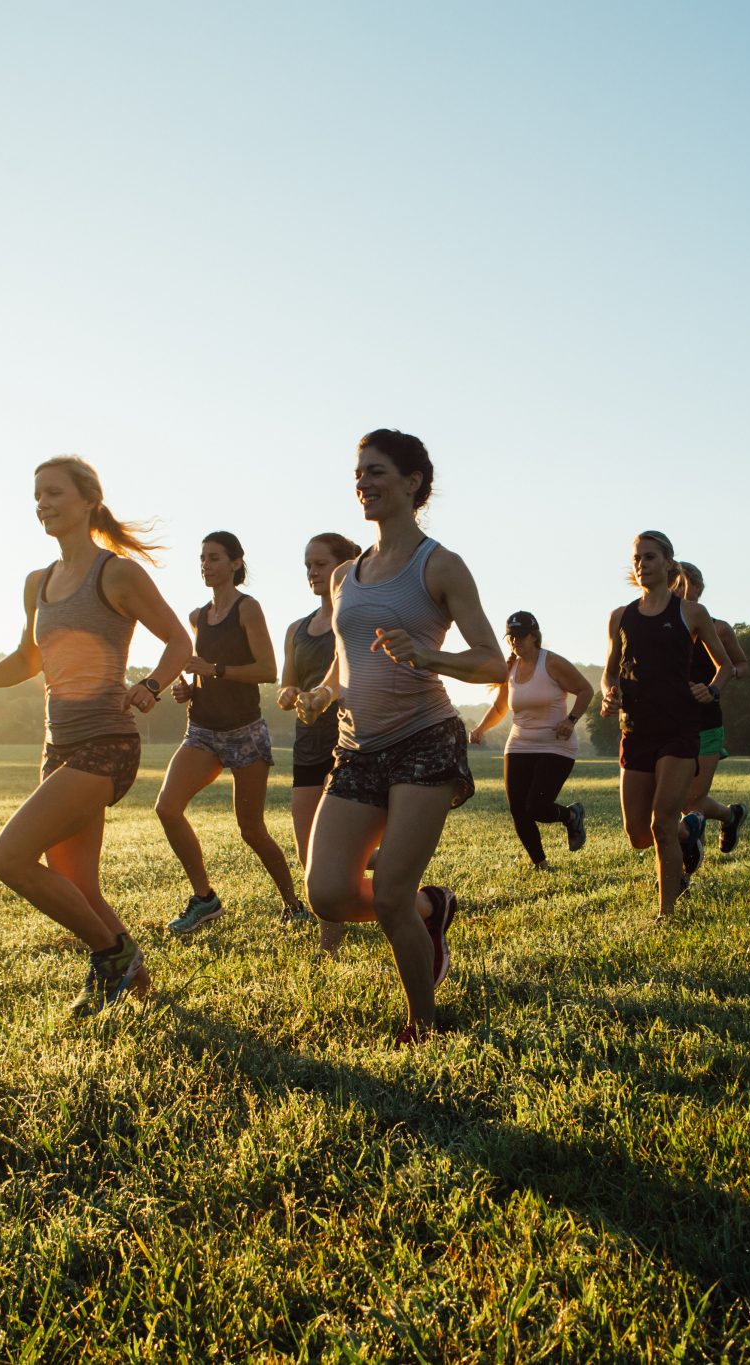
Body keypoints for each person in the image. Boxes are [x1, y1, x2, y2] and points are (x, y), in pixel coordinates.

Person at [0, 456, 190, 1015]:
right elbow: (29, 660)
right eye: (37, 496)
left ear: (88, 500)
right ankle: (136, 982)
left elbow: (179, 641)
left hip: (108, 743)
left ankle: (112, 958)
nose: (42, 504)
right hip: (59, 746)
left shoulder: (116, 573)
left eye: (53, 493)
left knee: (10, 858)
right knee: (78, 885)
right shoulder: (37, 583)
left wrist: (151, 686)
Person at [297, 429, 506, 1043]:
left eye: (377, 471)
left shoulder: (439, 565)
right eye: (359, 472)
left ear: (413, 483)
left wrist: (427, 657)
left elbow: (494, 663)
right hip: (357, 747)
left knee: (388, 894)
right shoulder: (344, 576)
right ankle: (431, 910)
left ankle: (423, 1025)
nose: (363, 482)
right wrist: (319, 695)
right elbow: (345, 660)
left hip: (424, 739)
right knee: (327, 893)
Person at [154, 532, 304, 933]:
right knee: (166, 808)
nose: (206, 564)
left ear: (236, 564)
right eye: (202, 558)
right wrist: (187, 689)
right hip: (202, 729)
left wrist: (214, 670)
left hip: (244, 733)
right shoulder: (196, 617)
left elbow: (267, 670)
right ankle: (205, 899)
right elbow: (196, 673)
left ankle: (293, 904)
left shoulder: (247, 609)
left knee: (251, 829)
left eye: (215, 558)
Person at [600, 531, 732, 919]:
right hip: (636, 729)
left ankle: (666, 914)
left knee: (660, 824)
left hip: (678, 730)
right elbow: (609, 674)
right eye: (637, 558)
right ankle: (690, 831)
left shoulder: (691, 613)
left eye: (650, 557)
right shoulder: (620, 617)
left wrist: (713, 690)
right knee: (638, 834)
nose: (641, 564)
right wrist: (609, 694)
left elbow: (724, 665)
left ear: (668, 563)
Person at [274, 532, 361, 951]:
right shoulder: (297, 629)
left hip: (350, 743)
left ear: (344, 566)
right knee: (308, 853)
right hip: (307, 745)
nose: (312, 572)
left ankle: (330, 942)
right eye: (307, 565)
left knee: (335, 849)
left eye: (320, 564)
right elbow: (285, 684)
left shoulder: (356, 618)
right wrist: (290, 695)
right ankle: (338, 917)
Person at [469, 610, 593, 868]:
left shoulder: (552, 663)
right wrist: (481, 728)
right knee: (518, 809)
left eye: (521, 636)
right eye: (511, 637)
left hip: (555, 745)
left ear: (534, 636)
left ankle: (571, 815)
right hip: (519, 744)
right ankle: (541, 864)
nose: (516, 641)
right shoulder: (509, 669)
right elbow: (500, 707)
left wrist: (570, 720)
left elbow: (585, 689)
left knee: (536, 806)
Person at [673, 562, 750, 871]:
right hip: (670, 724)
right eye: (676, 584)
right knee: (675, 801)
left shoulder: (718, 629)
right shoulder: (664, 629)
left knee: (691, 800)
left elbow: (741, 665)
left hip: (706, 723)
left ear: (699, 590)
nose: (681, 590)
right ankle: (731, 816)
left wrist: (717, 684)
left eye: (686, 585)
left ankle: (688, 847)